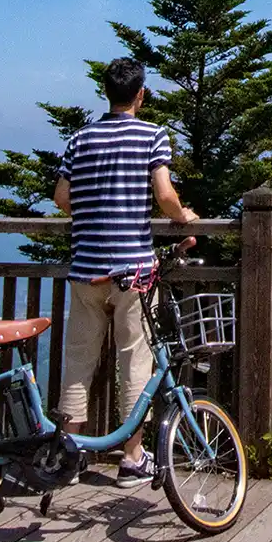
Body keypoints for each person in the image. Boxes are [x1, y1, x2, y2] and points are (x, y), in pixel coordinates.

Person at [52, 57, 197, 487]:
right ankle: (132, 456)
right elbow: (165, 194)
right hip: (132, 270)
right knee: (135, 358)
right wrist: (183, 215)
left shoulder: (81, 139)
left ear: (106, 92)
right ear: (141, 94)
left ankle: (68, 454)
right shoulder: (152, 136)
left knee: (79, 359)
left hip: (85, 269)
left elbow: (62, 197)